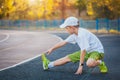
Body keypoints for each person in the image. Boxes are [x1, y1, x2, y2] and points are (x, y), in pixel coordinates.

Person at [41, 17, 108, 75]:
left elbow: (83, 50)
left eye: (67, 28)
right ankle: (48, 65)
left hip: (97, 51)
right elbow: (63, 42)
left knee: (89, 64)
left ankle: (100, 63)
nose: (66, 30)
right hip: (88, 51)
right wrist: (51, 49)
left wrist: (80, 66)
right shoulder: (74, 34)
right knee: (67, 58)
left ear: (72, 27)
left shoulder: (82, 34)